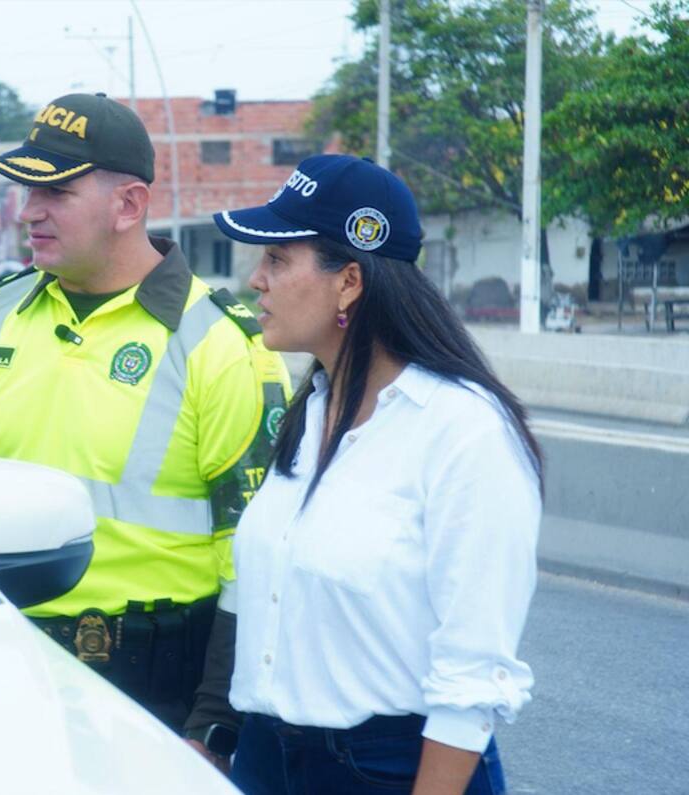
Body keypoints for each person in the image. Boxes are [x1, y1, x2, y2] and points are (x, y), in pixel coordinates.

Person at [0, 92, 291, 730]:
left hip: (151, 691)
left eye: (56, 192)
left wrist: (215, 723)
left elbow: (255, 559)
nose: (29, 211)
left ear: (129, 205)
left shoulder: (220, 344)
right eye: (27, 190)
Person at [194, 154, 543, 793]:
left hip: (387, 769)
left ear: (349, 281)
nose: (255, 280)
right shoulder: (312, 409)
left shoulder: (464, 431)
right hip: (266, 755)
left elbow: (472, 676)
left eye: (277, 259)